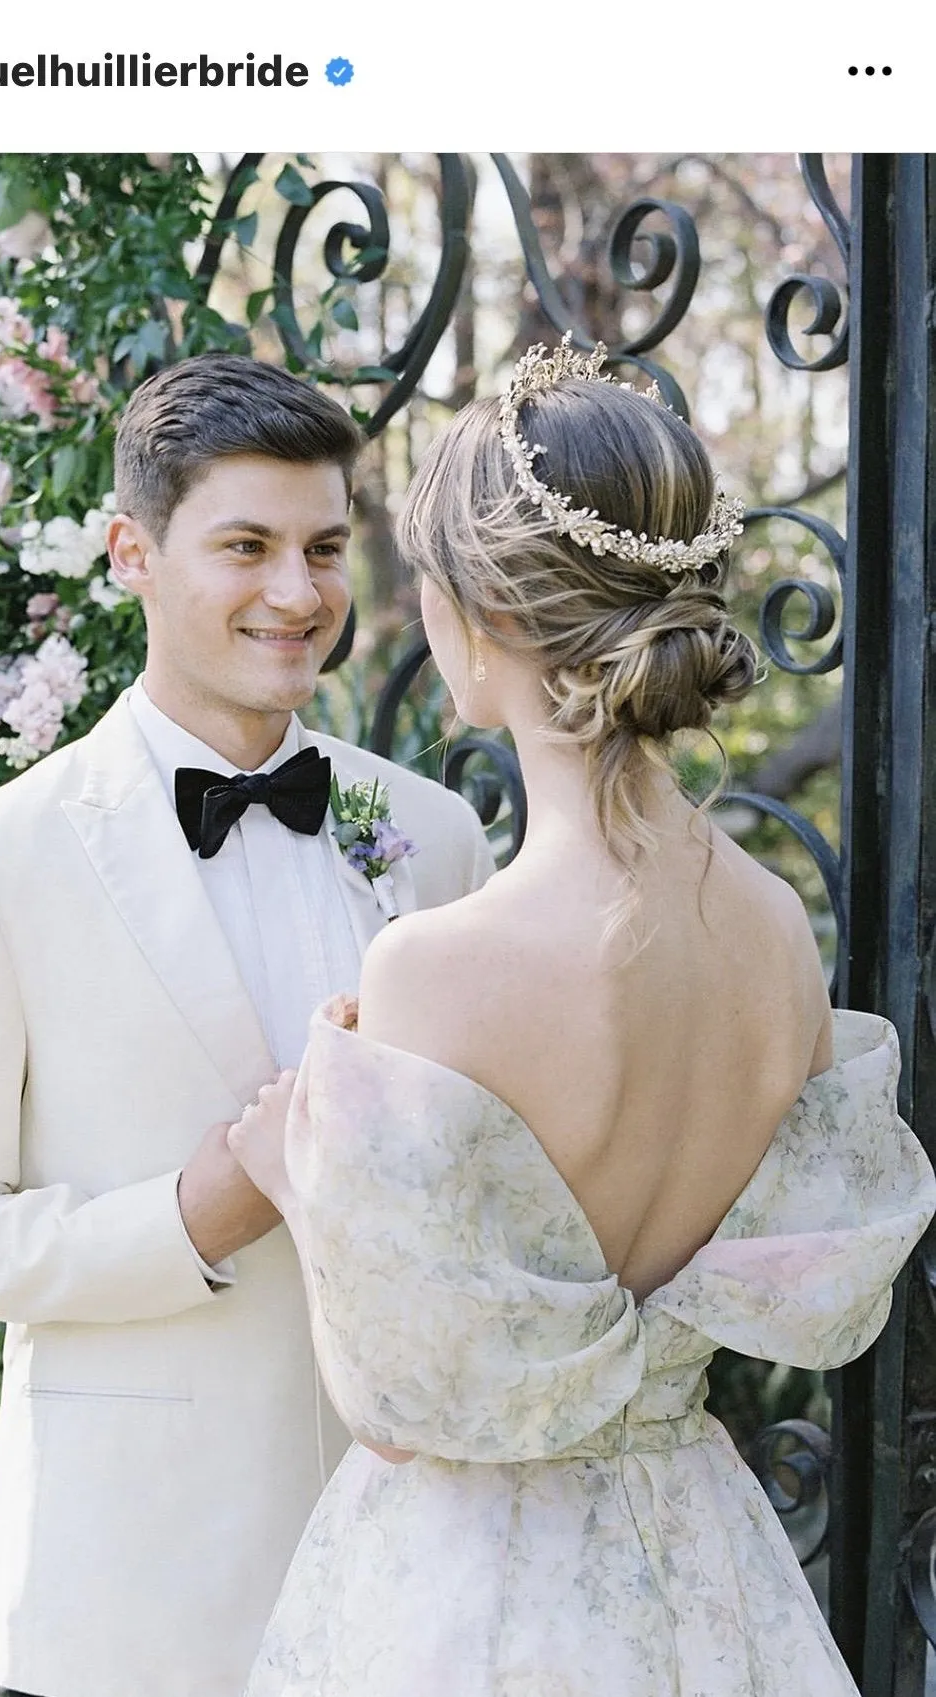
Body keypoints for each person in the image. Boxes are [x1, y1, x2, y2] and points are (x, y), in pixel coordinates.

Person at [227, 338, 936, 1697]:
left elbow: (397, 1399)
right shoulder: (774, 936)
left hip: (474, 1590)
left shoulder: (437, 965)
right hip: (702, 1563)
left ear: (475, 622)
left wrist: (291, 1175)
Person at [0, 352, 495, 1697]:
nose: (297, 593)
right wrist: (189, 1218)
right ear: (130, 552)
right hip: (133, 1590)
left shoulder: (424, 834)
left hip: (414, 1562)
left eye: (323, 548)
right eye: (245, 546)